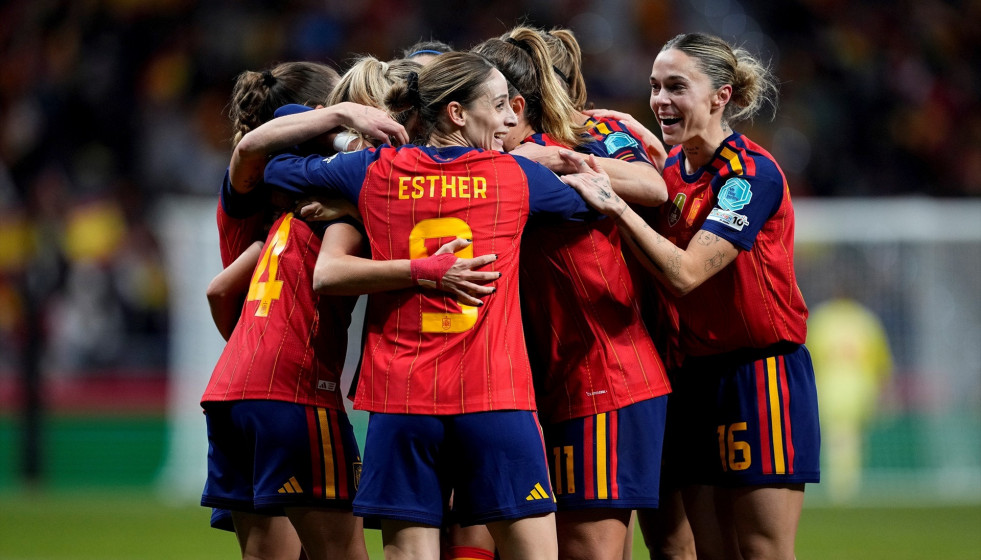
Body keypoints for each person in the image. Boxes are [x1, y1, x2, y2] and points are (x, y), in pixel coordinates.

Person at [259, 51, 606, 560]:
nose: (509, 119)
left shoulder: (373, 170)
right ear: (457, 113)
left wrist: (343, 133)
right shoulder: (513, 176)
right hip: (493, 395)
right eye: (498, 105)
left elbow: (277, 166)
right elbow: (591, 202)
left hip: (400, 398)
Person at [561, 32, 821, 560]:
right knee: (711, 550)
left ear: (721, 95)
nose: (661, 100)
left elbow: (685, 274)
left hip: (761, 373)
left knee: (762, 550)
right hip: (693, 376)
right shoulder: (667, 173)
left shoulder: (748, 175)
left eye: (676, 87)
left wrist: (615, 204)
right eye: (655, 87)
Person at [470, 27, 673, 560]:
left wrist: (553, 159)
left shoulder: (585, 136)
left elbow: (653, 186)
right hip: (556, 380)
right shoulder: (502, 164)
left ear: (514, 106)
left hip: (604, 375)